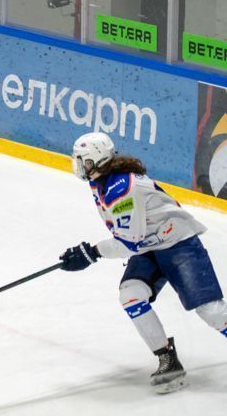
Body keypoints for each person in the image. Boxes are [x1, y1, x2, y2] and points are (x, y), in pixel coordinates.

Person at [59, 132, 227, 393]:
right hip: (149, 246)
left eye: (83, 160)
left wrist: (91, 252)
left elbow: (129, 244)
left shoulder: (122, 188)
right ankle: (168, 360)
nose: (79, 165)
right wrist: (89, 252)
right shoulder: (99, 182)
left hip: (178, 243)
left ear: (97, 160)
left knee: (211, 311)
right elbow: (131, 238)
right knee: (131, 296)